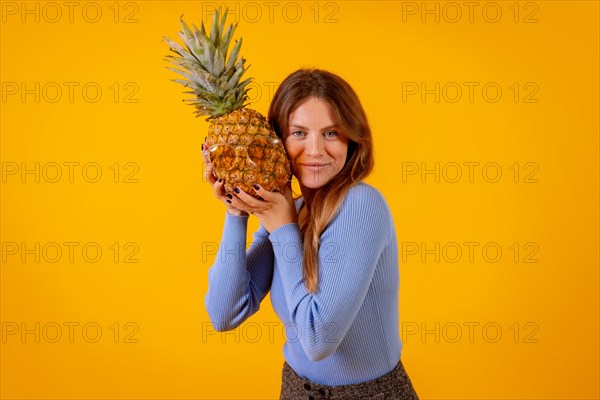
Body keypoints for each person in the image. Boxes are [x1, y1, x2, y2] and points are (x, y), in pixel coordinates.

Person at [202, 68, 420, 399]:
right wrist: (237, 212)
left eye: (331, 133)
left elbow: (319, 339)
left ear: (352, 138)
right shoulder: (293, 214)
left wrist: (282, 228)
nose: (316, 150)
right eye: (299, 133)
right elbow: (224, 312)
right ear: (273, 144)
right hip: (295, 390)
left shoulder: (361, 205)